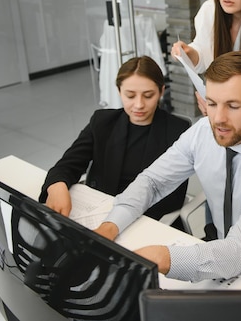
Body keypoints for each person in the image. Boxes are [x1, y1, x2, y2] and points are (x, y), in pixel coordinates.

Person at [94, 51, 241, 282]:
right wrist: (110, 226)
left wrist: (165, 257)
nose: (218, 118)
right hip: (218, 241)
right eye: (212, 104)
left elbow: (238, 252)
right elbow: (153, 181)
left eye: (233, 106)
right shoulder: (203, 131)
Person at [39, 56, 190, 221]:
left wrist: (120, 219)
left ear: (161, 91)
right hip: (101, 213)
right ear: (119, 91)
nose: (139, 105)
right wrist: (57, 186)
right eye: (130, 96)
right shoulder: (103, 122)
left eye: (148, 96)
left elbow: (172, 196)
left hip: (148, 219)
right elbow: (68, 164)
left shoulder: (178, 130)